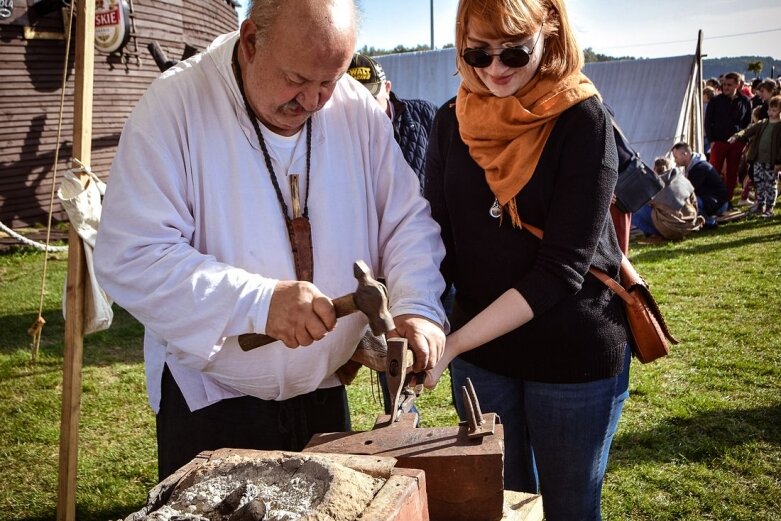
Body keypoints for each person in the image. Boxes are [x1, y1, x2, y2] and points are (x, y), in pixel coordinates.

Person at [93, 0, 448, 481]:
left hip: (322, 392)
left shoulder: (354, 108)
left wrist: (418, 305)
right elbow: (132, 255)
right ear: (250, 42)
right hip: (215, 403)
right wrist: (259, 303)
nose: (314, 101)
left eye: (329, 80)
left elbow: (404, 218)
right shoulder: (174, 107)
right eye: (297, 81)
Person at [422, 0, 631, 519]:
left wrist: (454, 343)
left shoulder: (583, 118)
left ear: (551, 33)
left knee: (568, 509)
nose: (495, 69)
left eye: (515, 52)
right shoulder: (452, 121)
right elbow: (434, 238)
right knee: (498, 507)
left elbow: (560, 271)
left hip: (570, 357)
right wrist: (415, 311)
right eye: (478, 53)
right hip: (482, 363)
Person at [347, 52, 440, 416]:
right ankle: (401, 413)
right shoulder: (344, 134)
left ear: (386, 89)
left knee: (433, 340)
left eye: (371, 101)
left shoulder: (425, 117)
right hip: (378, 268)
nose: (366, 113)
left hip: (431, 254)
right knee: (394, 353)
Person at [347, 53, 437, 185]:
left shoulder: (426, 114)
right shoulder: (337, 133)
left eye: (371, 100)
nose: (364, 110)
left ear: (387, 89)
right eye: (355, 103)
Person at [705, 71, 753, 206]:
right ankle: (712, 200)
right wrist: (712, 141)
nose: (725, 87)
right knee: (714, 171)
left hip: (736, 143)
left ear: (737, 85)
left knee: (732, 173)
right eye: (724, 84)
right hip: (719, 142)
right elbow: (708, 122)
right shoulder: (715, 100)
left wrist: (743, 141)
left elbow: (747, 123)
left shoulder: (745, 101)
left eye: (729, 85)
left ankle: (728, 200)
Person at [729, 94, 781, 217]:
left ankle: (769, 208)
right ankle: (760, 205)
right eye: (769, 109)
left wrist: (778, 163)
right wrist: (737, 136)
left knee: (771, 184)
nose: (770, 112)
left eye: (774, 110)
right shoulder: (763, 123)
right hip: (758, 160)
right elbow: (748, 130)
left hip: (771, 162)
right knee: (759, 183)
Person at [631, 157, 704, 240]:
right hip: (690, 225)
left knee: (634, 209)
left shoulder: (655, 185)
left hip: (672, 230)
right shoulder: (682, 179)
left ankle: (655, 233)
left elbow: (642, 201)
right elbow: (694, 202)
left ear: (654, 169)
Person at [671, 142, 729, 227]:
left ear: (685, 154)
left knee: (686, 201)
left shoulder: (699, 168)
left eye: (676, 157)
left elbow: (688, 191)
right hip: (713, 200)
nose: (675, 160)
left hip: (718, 204)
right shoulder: (693, 167)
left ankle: (709, 222)